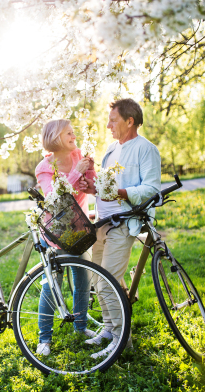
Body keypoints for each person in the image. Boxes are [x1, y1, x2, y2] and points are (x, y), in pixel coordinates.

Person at [81, 98, 161, 358]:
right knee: (97, 280)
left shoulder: (146, 149)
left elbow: (151, 190)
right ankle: (108, 328)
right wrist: (92, 186)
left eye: (113, 120)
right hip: (101, 225)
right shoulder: (111, 149)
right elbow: (106, 190)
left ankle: (120, 340)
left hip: (123, 224)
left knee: (108, 284)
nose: (108, 125)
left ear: (130, 121)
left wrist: (121, 192)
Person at [34, 119, 97, 356]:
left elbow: (91, 184)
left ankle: (81, 328)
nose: (74, 135)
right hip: (57, 232)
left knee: (83, 281)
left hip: (79, 228)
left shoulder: (78, 154)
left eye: (73, 132)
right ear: (56, 138)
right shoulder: (44, 167)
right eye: (68, 133)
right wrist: (75, 173)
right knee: (53, 286)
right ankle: (45, 338)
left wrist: (87, 174)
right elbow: (53, 200)